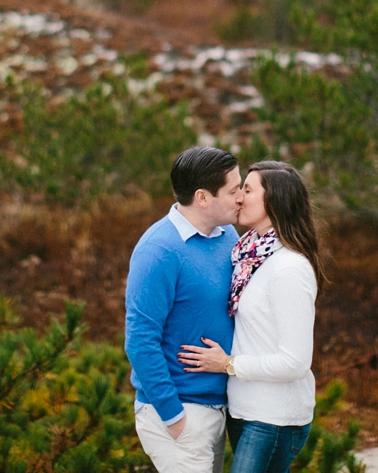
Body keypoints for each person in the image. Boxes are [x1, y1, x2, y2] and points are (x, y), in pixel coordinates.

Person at [178, 161, 326, 473]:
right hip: (243, 408)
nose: (239, 198)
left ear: (275, 201)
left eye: (248, 190)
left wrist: (228, 364)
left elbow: (296, 361)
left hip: (274, 417)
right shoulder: (247, 254)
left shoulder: (289, 268)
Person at [125, 146, 243, 473]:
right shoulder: (158, 250)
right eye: (233, 190)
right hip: (181, 413)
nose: (240, 198)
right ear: (203, 198)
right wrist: (175, 418)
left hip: (218, 406)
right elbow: (140, 340)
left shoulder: (227, 234)